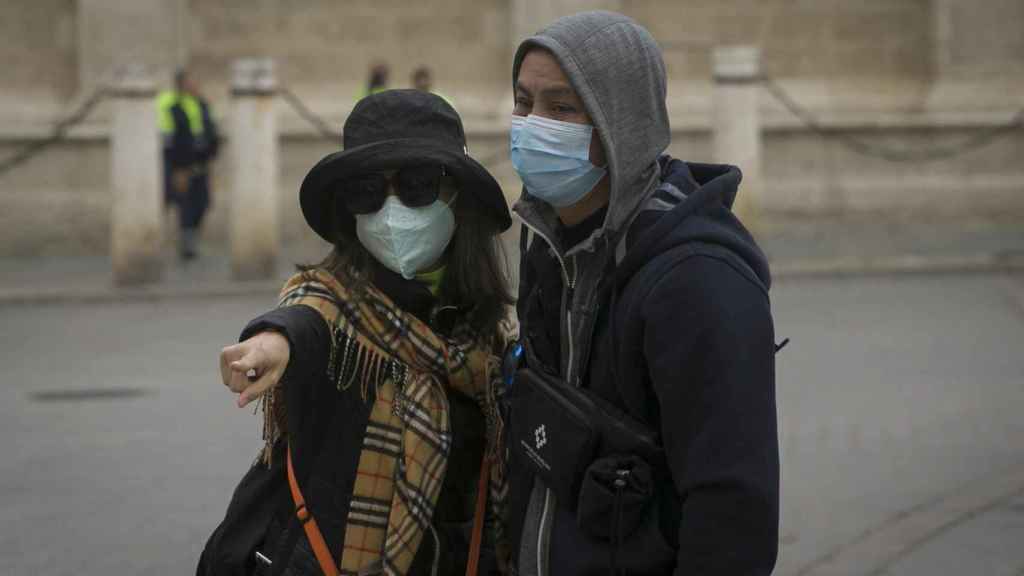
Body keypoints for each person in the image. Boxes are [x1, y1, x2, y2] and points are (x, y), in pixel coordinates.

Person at [503, 11, 780, 575]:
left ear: (618, 124)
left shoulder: (699, 280)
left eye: (560, 108)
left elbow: (732, 516)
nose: (532, 125)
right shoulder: (548, 243)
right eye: (523, 102)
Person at [198, 90, 514, 575]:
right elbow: (306, 315)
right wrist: (270, 342)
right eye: (368, 191)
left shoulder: (494, 337)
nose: (392, 210)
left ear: (458, 196)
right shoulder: (334, 306)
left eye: (417, 184)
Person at [157, 67, 219, 260]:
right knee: (184, 204)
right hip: (180, 164)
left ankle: (190, 239)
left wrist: (211, 156)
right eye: (191, 81)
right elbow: (172, 138)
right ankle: (184, 244)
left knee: (203, 203)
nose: (195, 85)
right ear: (181, 84)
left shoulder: (201, 104)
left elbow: (210, 132)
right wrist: (177, 167)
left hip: (200, 163)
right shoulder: (170, 104)